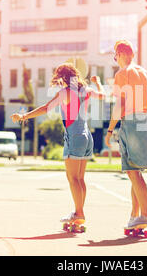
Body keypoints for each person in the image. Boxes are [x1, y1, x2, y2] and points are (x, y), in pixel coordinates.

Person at [11, 63, 105, 224]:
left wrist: (24, 116)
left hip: (75, 136)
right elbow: (102, 95)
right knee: (80, 178)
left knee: (72, 178)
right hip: (87, 136)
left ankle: (79, 213)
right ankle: (78, 212)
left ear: (62, 78)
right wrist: (98, 82)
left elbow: (46, 108)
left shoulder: (65, 93)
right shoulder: (86, 90)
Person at [105, 40, 147, 230]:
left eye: (115, 56)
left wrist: (109, 130)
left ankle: (146, 215)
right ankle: (135, 216)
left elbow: (121, 105)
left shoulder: (122, 74)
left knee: (131, 171)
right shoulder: (145, 73)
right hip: (146, 121)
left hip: (131, 122)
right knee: (135, 171)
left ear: (122, 54)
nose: (116, 60)